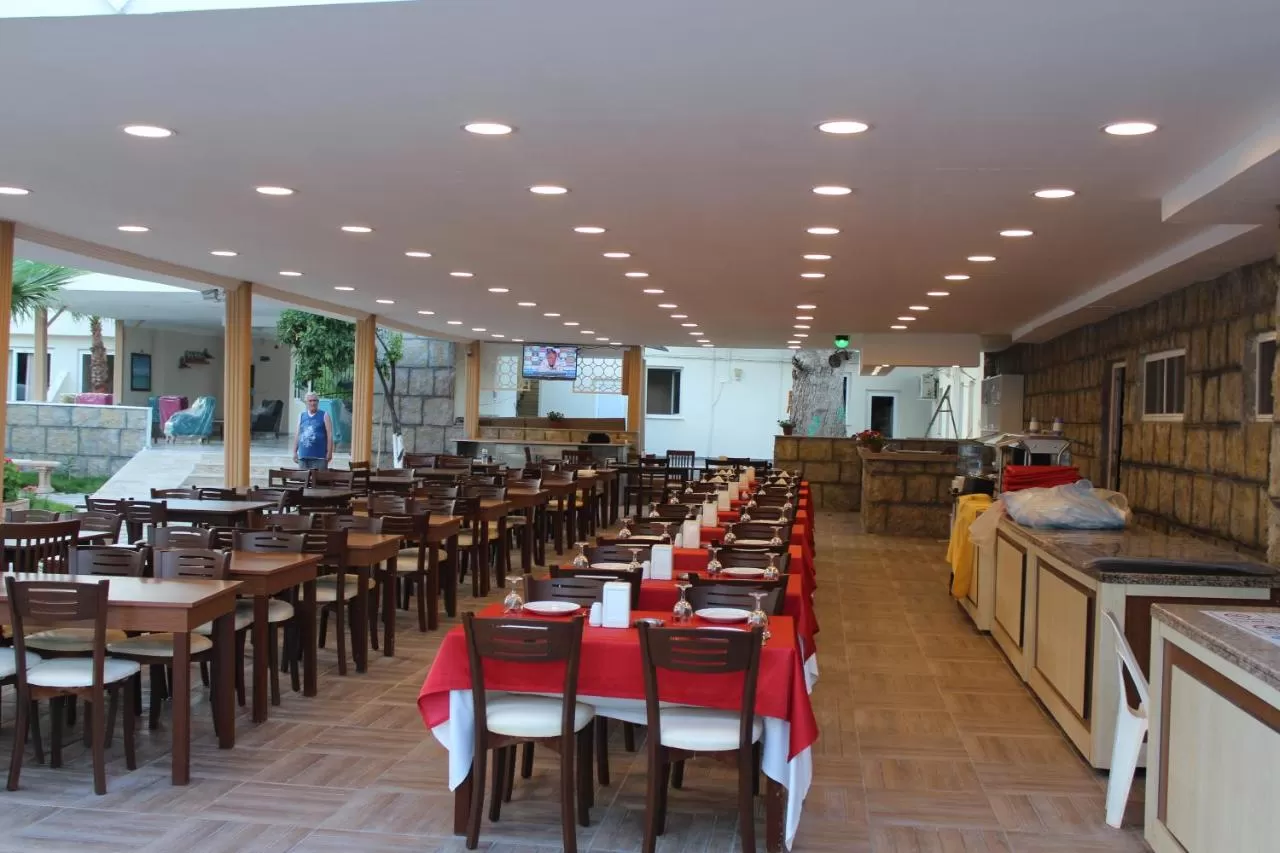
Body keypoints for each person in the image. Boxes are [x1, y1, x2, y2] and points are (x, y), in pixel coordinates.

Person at [293, 392, 334, 471]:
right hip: (303, 456)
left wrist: (329, 452)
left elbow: (330, 435)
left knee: (320, 478)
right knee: (303, 478)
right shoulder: (301, 415)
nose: (313, 403)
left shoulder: (324, 415)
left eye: (315, 400)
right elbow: (297, 434)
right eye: (310, 401)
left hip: (319, 457)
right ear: (306, 402)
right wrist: (294, 451)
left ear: (318, 402)